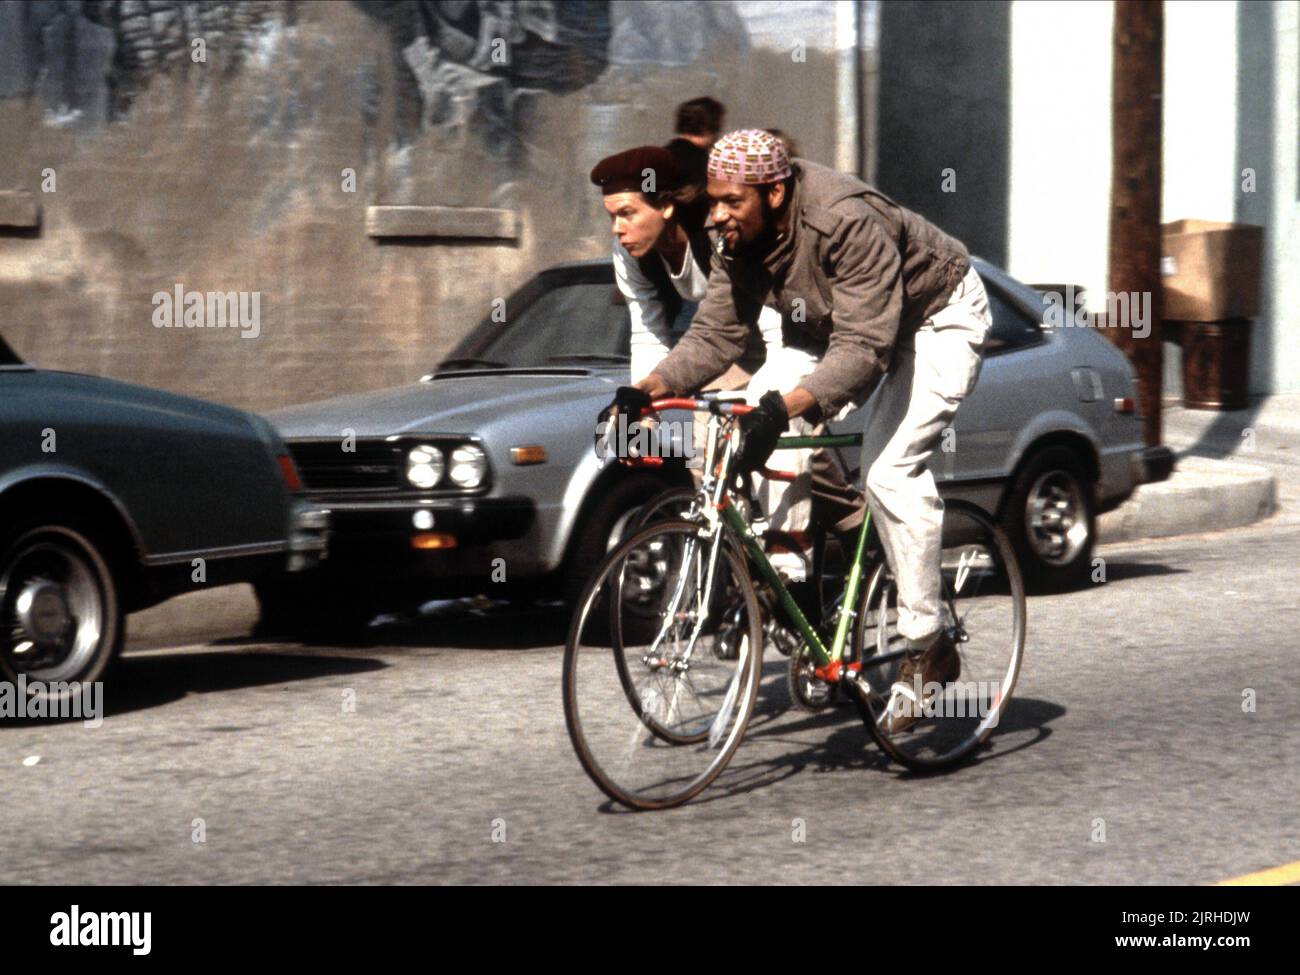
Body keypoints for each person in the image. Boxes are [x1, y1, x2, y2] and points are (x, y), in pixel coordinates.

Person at [603, 130, 993, 732]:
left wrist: (784, 409)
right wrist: (644, 391)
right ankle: (797, 587)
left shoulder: (845, 221)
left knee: (890, 471)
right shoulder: (732, 234)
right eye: (714, 200)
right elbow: (718, 335)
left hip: (935, 315)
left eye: (733, 202)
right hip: (833, 327)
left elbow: (866, 348)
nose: (719, 215)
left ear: (776, 192)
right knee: (740, 429)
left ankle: (926, 643)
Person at [590, 145, 825, 582]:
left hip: (776, 330)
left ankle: (804, 557)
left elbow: (776, 330)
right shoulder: (630, 254)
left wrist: (773, 400)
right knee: (705, 446)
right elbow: (648, 330)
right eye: (611, 218)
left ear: (665, 206)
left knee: (782, 439)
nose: (618, 229)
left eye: (626, 213)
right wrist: (644, 401)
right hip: (718, 336)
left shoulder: (721, 232)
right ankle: (735, 567)